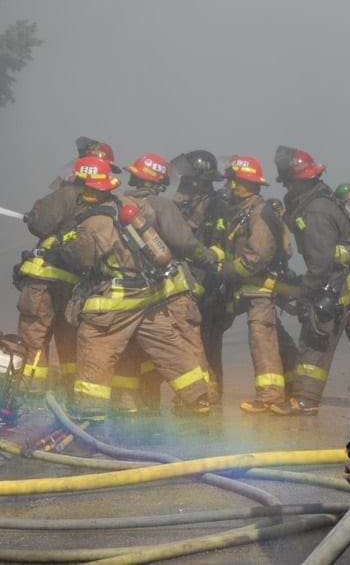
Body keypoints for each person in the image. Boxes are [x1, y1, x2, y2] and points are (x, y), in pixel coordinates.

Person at [54, 155, 213, 420]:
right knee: (169, 346)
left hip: (115, 303)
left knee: (95, 342)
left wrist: (64, 243)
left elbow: (80, 260)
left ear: (85, 187)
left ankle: (88, 409)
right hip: (150, 297)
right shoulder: (131, 204)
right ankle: (198, 399)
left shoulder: (92, 225)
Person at [115, 153, 220, 410]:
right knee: (188, 345)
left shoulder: (116, 203)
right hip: (170, 292)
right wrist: (210, 258)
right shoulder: (162, 205)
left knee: (135, 350)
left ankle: (135, 404)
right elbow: (184, 243)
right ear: (159, 183)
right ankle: (201, 403)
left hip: (130, 294)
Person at [14, 138, 118, 394]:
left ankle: (32, 392)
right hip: (75, 285)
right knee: (69, 338)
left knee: (35, 335)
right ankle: (68, 392)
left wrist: (34, 214)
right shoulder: (109, 202)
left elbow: (38, 223)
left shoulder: (67, 194)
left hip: (44, 280)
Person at [274, 146, 350, 415]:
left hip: (334, 287)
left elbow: (320, 265)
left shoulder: (315, 212)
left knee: (315, 340)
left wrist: (304, 291)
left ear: (296, 180)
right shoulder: (320, 200)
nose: (287, 188)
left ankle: (305, 400)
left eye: (288, 182)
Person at [207, 155, 293, 415]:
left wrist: (226, 270)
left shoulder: (260, 213)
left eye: (236, 181)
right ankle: (290, 386)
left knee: (262, 340)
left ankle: (271, 398)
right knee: (268, 337)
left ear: (248, 183)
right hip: (244, 289)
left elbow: (257, 257)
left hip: (259, 289)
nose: (231, 186)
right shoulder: (244, 209)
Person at [171, 150, 229, 394]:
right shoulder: (185, 202)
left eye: (189, 178)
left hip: (207, 287)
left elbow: (218, 245)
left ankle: (210, 392)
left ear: (200, 181)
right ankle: (199, 391)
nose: (183, 182)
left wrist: (201, 280)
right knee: (187, 340)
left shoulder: (216, 206)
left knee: (207, 342)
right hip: (186, 282)